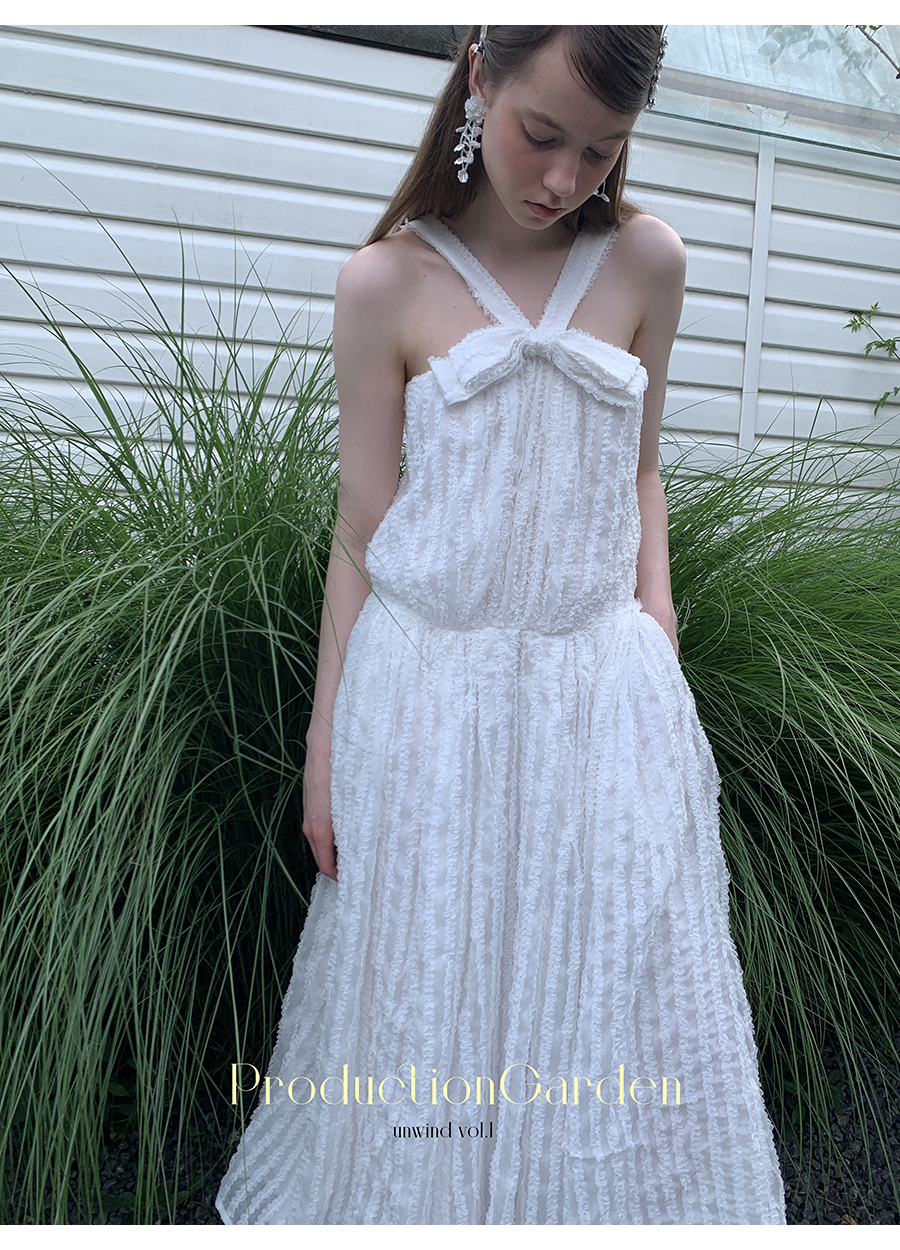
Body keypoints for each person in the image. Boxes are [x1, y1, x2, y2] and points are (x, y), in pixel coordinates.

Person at [215, 25, 788, 1224]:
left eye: (602, 149)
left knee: (607, 978)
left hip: (600, 689)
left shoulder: (648, 264)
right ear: (481, 74)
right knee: (434, 975)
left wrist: (657, 620)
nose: (564, 177)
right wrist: (325, 744)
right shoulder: (384, 284)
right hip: (428, 695)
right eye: (542, 133)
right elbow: (361, 531)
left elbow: (641, 470)